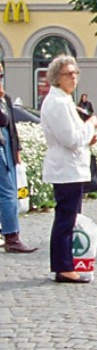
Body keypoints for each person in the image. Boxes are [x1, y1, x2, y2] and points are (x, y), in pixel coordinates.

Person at [41, 55, 97, 283]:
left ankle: (66, 263)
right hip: (66, 168)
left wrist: (87, 137)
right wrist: (90, 125)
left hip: (71, 166)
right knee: (65, 218)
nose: (74, 77)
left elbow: (76, 138)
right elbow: (71, 139)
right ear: (57, 77)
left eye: (76, 73)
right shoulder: (57, 102)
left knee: (69, 217)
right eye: (68, 74)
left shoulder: (63, 100)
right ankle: (63, 266)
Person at [0, 65, 36, 254]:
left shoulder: (5, 98)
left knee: (11, 191)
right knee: (7, 194)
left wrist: (18, 150)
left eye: (1, 74)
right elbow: (2, 120)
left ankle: (9, 232)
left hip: (8, 147)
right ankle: (11, 237)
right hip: (1, 150)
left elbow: (12, 126)